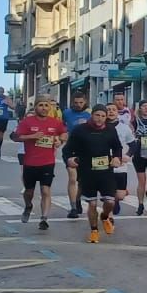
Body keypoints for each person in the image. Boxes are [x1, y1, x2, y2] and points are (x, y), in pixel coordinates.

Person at [65, 104, 124, 243]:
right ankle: (94, 230)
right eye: (97, 115)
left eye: (103, 116)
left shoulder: (110, 129)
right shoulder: (80, 130)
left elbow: (117, 147)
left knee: (110, 201)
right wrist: (70, 159)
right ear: (92, 115)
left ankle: (104, 217)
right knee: (92, 204)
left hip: (105, 171)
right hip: (87, 171)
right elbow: (67, 149)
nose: (100, 119)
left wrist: (117, 157)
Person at [12, 97, 68, 232]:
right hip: (30, 162)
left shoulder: (55, 122)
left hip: (47, 162)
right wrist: (32, 136)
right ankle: (28, 206)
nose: (44, 108)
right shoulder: (27, 122)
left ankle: (44, 218)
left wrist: (60, 141)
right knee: (29, 191)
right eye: (41, 105)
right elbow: (15, 137)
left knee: (45, 190)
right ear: (36, 107)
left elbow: (64, 133)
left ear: (50, 108)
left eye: (46, 105)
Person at [61, 91, 93, 219]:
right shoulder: (66, 113)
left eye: (81, 102)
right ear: (72, 102)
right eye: (76, 103)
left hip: (86, 150)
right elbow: (62, 128)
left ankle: (78, 198)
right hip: (71, 149)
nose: (78, 105)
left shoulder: (89, 114)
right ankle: (73, 207)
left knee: (82, 180)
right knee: (72, 178)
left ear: (85, 102)